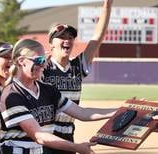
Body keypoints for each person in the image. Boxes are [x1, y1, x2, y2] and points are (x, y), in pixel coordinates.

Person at [0, 39, 116, 154]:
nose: (44, 65)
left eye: (44, 60)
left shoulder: (48, 90)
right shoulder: (12, 94)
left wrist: (118, 112)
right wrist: (76, 147)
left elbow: (82, 113)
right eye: (39, 60)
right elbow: (39, 136)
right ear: (21, 61)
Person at [42, 0, 113, 153]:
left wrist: (107, 5)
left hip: (68, 134)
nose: (67, 40)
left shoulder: (77, 66)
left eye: (70, 37)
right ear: (51, 43)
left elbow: (97, 38)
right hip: (46, 136)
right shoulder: (43, 67)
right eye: (62, 37)